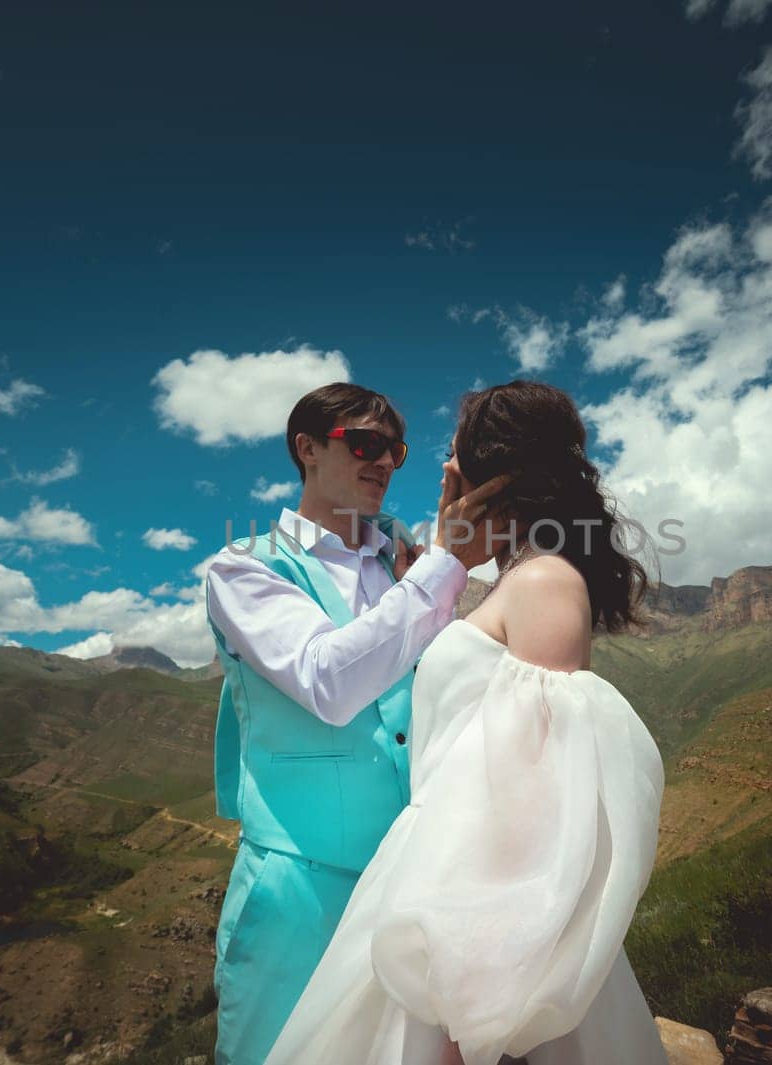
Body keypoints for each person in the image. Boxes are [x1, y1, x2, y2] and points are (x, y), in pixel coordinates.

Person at [265, 380, 669, 1065]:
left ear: (491, 473)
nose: (432, 467)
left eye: (445, 454)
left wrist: (473, 1005)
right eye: (371, 446)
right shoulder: (512, 581)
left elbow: (533, 807)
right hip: (427, 889)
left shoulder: (543, 583)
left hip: (470, 923)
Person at [203, 382, 510, 1065]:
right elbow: (328, 679)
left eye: (394, 450)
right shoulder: (243, 569)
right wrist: (443, 566)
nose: (384, 463)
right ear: (306, 448)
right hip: (299, 894)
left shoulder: (405, 558)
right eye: (365, 444)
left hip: (407, 880)